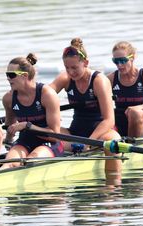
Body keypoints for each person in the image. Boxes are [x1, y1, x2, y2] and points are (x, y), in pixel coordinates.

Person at [49, 38, 121, 183]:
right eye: (67, 68)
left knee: (113, 142)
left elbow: (109, 120)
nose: (70, 72)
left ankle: (112, 186)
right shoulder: (65, 78)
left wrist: (89, 142)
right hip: (75, 133)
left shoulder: (99, 81)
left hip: (102, 133)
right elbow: (44, 95)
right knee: (46, 134)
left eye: (74, 68)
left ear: (86, 63)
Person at [0, 53, 64, 170]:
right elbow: (10, 127)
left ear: (24, 76)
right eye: (7, 75)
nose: (8, 78)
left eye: (11, 75)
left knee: (31, 162)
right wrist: (7, 140)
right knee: (9, 164)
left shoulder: (47, 95)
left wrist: (28, 126)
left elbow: (55, 135)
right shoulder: (8, 99)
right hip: (25, 141)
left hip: (50, 143)